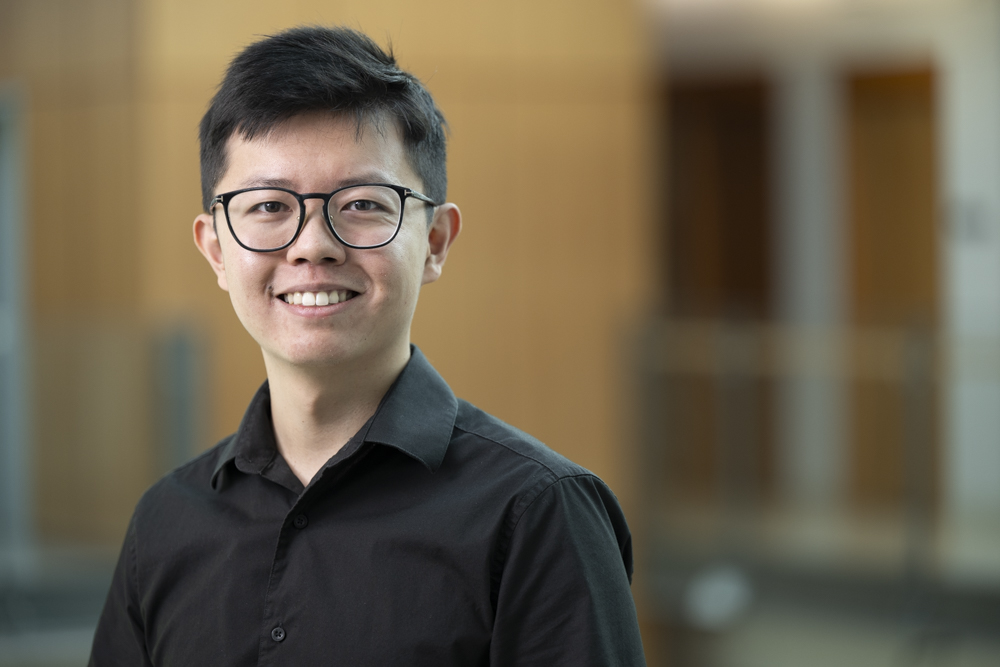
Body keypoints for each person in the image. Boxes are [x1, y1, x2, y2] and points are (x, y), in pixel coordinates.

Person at [89, 26, 645, 666]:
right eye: (268, 206)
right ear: (216, 249)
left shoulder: (538, 513)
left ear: (434, 242)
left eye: (361, 204)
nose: (312, 245)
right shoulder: (165, 523)